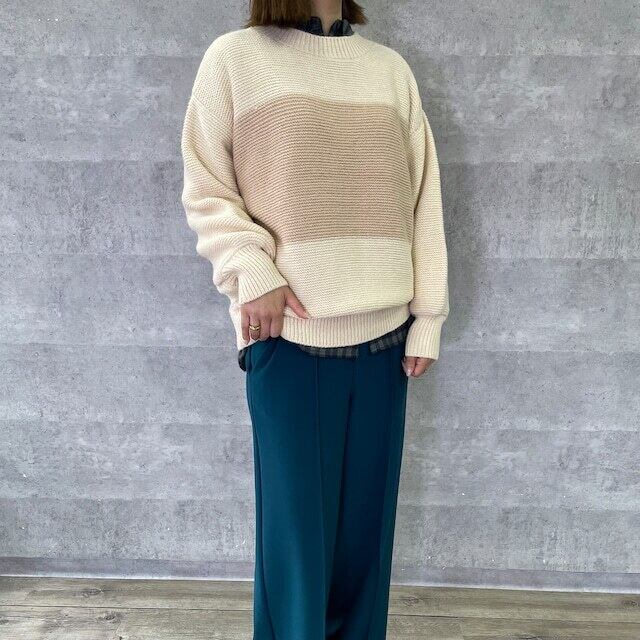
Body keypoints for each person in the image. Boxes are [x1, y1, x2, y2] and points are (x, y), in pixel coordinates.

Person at [180, 0, 449, 637]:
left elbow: (423, 199)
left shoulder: (389, 70)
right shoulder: (235, 59)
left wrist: (429, 314)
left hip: (386, 347)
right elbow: (207, 186)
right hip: (288, 344)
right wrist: (252, 269)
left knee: (364, 553)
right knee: (296, 554)